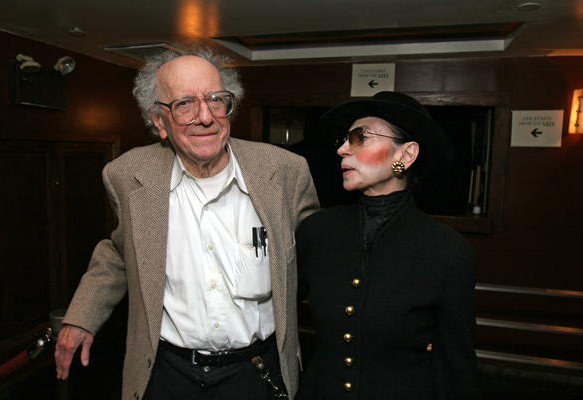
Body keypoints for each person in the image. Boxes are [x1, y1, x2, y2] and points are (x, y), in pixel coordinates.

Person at [54, 43, 319, 400]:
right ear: (159, 122)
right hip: (166, 373)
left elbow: (321, 254)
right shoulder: (129, 176)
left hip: (255, 372)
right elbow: (121, 250)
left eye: (215, 99)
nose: (205, 116)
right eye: (184, 104)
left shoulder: (285, 172)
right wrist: (82, 315)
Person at [295, 91, 478, 399]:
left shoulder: (447, 250)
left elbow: (455, 366)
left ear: (405, 155)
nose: (341, 149)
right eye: (344, 139)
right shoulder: (318, 231)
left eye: (359, 138)